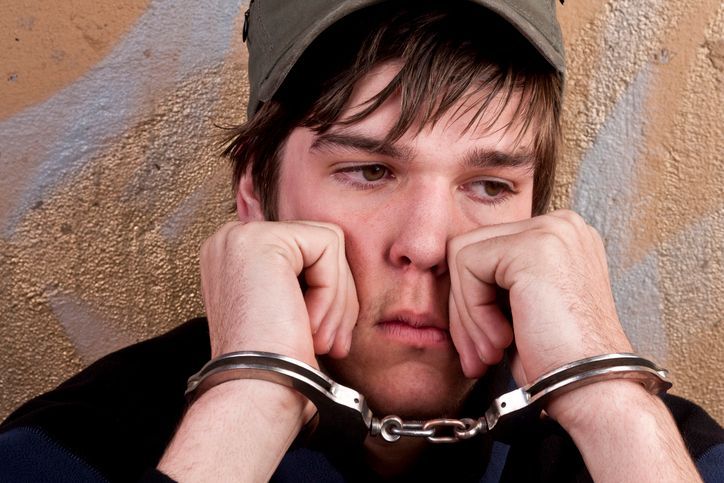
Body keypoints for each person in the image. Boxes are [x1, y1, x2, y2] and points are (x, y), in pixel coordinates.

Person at [1, 1, 722, 481]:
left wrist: (609, 405)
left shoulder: (649, 448)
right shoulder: (75, 450)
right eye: (371, 170)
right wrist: (250, 406)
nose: (429, 243)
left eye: (489, 185)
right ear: (254, 189)